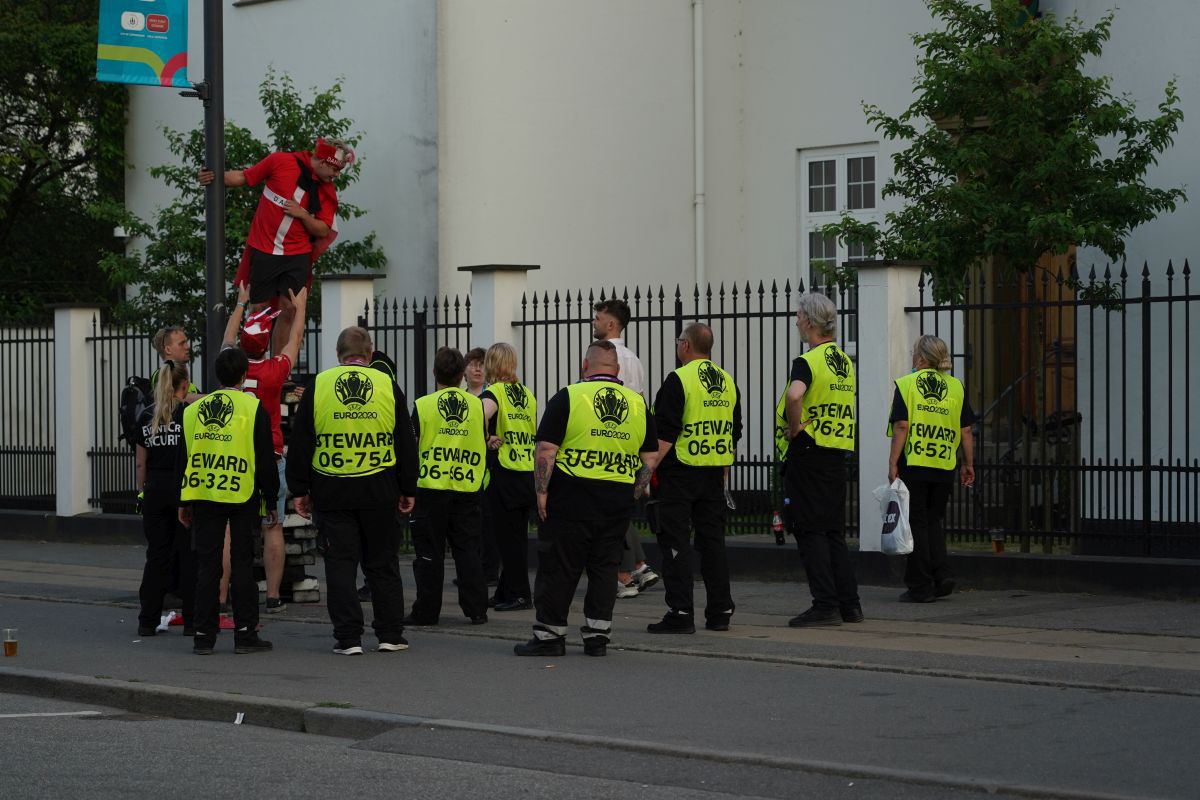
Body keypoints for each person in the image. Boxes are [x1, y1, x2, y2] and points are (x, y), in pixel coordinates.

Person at [514, 340, 659, 658]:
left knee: (560, 567)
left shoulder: (569, 396)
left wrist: (541, 493)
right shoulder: (637, 404)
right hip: (616, 501)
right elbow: (650, 457)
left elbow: (546, 451)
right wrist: (633, 492)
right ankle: (597, 636)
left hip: (571, 499)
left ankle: (550, 636)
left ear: (585, 366)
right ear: (617, 370)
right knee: (605, 569)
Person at [287, 326, 418, 655]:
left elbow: (303, 440)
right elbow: (404, 439)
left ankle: (348, 638)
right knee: (382, 563)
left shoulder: (319, 385)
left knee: (340, 565)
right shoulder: (388, 385)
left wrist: (299, 489)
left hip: (333, 490)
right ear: (370, 354)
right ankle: (390, 634)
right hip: (380, 488)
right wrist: (408, 487)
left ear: (338, 355)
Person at [198, 136, 353, 354]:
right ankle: (254, 363)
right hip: (265, 249)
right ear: (324, 162)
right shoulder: (281, 161)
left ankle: (280, 368)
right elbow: (243, 176)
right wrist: (213, 177)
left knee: (289, 309)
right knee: (258, 309)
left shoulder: (327, 190)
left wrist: (302, 215)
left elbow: (323, 230)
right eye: (336, 170)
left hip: (297, 254)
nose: (337, 175)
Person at [178, 348, 278, 655]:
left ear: (217, 376)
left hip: (205, 492)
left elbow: (185, 458)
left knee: (208, 566)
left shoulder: (193, 410)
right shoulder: (253, 408)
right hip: (242, 492)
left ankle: (203, 636)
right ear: (245, 375)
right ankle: (245, 634)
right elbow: (264, 458)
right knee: (242, 564)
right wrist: (271, 499)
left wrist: (183, 500)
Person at [646, 323, 742, 634]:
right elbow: (733, 431)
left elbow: (665, 434)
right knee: (713, 543)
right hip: (714, 472)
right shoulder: (727, 381)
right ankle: (720, 610)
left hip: (680, 472)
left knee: (675, 542)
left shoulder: (679, 379)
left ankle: (680, 611)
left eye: (678, 341)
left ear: (686, 345)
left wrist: (642, 478)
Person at [220, 283, 309, 614]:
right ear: (265, 345)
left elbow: (228, 337)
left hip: (236, 458)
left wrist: (242, 303)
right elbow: (294, 340)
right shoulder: (274, 371)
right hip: (270, 458)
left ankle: (221, 596)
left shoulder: (229, 367)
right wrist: (298, 311)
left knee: (229, 529)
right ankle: (273, 596)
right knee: (273, 525)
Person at [783, 293, 861, 627]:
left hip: (810, 451)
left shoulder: (808, 360)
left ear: (811, 322)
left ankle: (824, 604)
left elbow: (794, 394)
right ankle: (849, 604)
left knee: (810, 529)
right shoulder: (843, 361)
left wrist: (795, 426)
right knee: (833, 530)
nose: (797, 321)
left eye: (799, 315)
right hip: (836, 449)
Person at [888, 335, 976, 602]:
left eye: (914, 352)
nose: (912, 357)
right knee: (934, 522)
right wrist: (968, 463)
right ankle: (942, 575)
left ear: (923, 359)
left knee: (916, 524)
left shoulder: (907, 384)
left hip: (914, 464)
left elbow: (902, 426)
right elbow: (966, 430)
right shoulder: (956, 387)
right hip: (944, 465)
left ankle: (921, 586)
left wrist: (893, 462)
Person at [405, 347, 490, 626]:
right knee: (467, 550)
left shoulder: (424, 405)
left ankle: (427, 611)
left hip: (431, 486)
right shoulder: (477, 405)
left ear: (434, 373)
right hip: (467, 484)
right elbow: (484, 438)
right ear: (462, 374)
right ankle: (477, 609)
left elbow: (411, 445)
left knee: (430, 552)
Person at [589, 298, 659, 598]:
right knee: (621, 506)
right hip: (632, 439)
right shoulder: (634, 358)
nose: (594, 321)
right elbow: (642, 404)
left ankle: (624, 576)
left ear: (611, 323)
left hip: (607, 438)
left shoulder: (602, 355)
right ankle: (640, 565)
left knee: (607, 509)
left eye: (598, 317)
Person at [133, 360, 195, 637]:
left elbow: (140, 462)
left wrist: (142, 492)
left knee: (156, 556)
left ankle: (147, 620)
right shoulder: (188, 414)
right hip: (182, 488)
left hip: (155, 489)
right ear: (184, 385)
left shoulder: (146, 415)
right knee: (188, 555)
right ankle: (193, 622)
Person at [480, 343, 536, 611]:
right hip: (527, 472)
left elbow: (477, 416)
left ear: (491, 363)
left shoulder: (494, 393)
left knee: (507, 540)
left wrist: (487, 437)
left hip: (505, 472)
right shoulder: (526, 394)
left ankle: (521, 594)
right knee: (517, 537)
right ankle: (505, 592)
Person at [465, 346, 499, 584]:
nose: (477, 368)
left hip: (489, 467)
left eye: (481, 364)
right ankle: (472, 569)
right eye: (473, 364)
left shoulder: (492, 396)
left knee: (488, 520)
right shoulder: (461, 398)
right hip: (465, 466)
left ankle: (488, 571)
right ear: (464, 370)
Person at [150, 327, 201, 401]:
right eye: (181, 344)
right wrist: (212, 397)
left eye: (186, 342)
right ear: (168, 350)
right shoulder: (162, 375)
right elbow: (175, 398)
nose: (187, 347)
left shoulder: (190, 385)